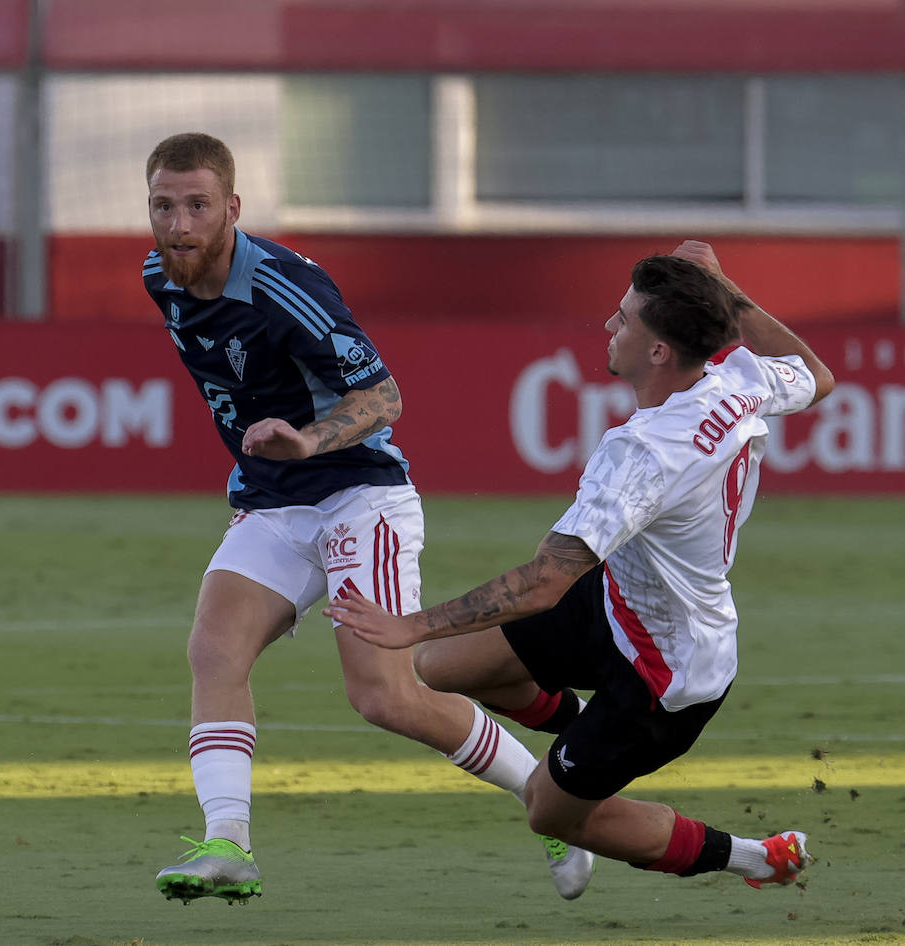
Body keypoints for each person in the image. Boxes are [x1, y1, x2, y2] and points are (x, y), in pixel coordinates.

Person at [143, 131, 595, 905]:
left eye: (197, 206)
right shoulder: (160, 276)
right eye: (163, 206)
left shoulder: (285, 287)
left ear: (233, 208)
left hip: (358, 495)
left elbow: (385, 396)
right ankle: (229, 844)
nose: (178, 225)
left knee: (384, 696)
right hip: (274, 504)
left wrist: (306, 440)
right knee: (214, 651)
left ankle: (549, 800)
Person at [326, 240, 834, 890]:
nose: (609, 324)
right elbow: (816, 375)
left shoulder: (644, 453)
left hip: (666, 673)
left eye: (625, 318)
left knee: (549, 812)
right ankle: (580, 737)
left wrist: (411, 624)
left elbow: (544, 582)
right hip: (618, 601)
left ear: (659, 352)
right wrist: (722, 287)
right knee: (443, 668)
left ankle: (756, 857)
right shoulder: (739, 378)